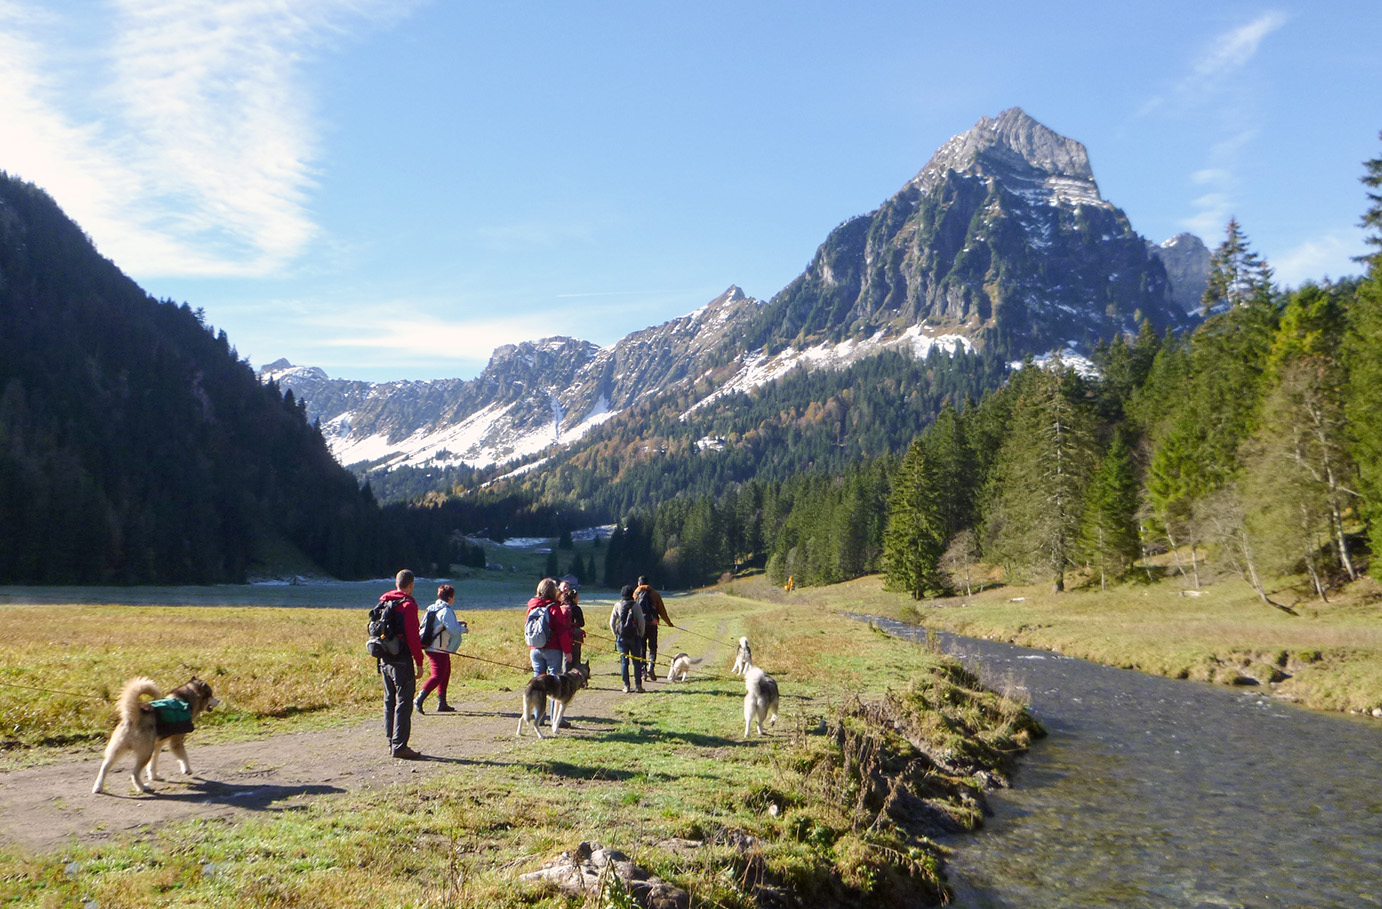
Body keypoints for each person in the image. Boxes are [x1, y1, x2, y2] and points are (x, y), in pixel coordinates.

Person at [377, 569, 425, 760]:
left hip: (384, 658)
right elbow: (413, 637)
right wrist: (420, 662)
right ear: (411, 584)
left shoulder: (384, 601)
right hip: (402, 660)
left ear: (397, 583)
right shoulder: (408, 605)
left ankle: (391, 741)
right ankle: (400, 745)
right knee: (404, 703)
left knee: (389, 701)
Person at [415, 584, 467, 714]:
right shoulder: (446, 611)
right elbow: (454, 630)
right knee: (438, 676)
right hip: (438, 648)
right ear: (450, 597)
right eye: (453, 597)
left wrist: (456, 623)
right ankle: (419, 699)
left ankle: (442, 703)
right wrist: (464, 629)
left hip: (431, 645)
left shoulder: (431, 609)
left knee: (445, 672)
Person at [526, 577, 571, 677]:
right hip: (552, 648)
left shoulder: (532, 607)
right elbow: (561, 631)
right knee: (554, 678)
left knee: (538, 679)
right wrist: (567, 651)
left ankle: (537, 693)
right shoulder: (554, 608)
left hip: (535, 647)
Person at [634, 576, 672, 681]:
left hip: (640, 625)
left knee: (642, 648)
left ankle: (643, 671)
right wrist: (668, 623)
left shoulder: (635, 593)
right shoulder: (655, 594)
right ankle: (651, 666)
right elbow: (662, 611)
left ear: (639, 583)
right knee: (653, 647)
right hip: (652, 624)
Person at [609, 584, 646, 693]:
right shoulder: (636, 606)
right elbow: (641, 622)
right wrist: (641, 634)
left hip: (622, 638)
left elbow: (611, 622)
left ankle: (626, 685)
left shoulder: (617, 605)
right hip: (635, 637)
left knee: (624, 662)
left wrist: (616, 634)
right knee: (636, 662)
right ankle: (638, 685)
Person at [558, 581, 585, 671]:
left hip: (562, 635)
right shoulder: (576, 608)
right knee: (576, 657)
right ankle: (575, 677)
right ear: (574, 598)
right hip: (574, 636)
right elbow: (581, 623)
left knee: (565, 657)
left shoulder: (561, 606)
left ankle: (565, 675)